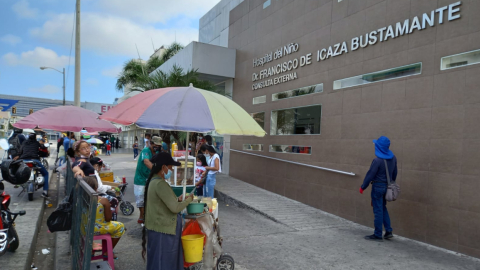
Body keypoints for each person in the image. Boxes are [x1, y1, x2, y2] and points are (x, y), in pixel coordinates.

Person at [141, 152, 193, 269]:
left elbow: (164, 203)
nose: (171, 170)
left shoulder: (154, 181)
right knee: (164, 261)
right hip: (163, 230)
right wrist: (189, 200)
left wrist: (178, 199)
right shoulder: (160, 184)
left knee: (157, 259)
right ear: (163, 167)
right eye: (170, 168)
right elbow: (175, 208)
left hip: (157, 227)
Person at [360, 136, 397, 242]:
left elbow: (370, 175)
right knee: (383, 208)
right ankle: (389, 231)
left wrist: (363, 186)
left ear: (379, 147)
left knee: (378, 210)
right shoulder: (393, 158)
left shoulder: (377, 160)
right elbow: (395, 173)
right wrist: (390, 185)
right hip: (387, 186)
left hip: (377, 187)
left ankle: (377, 234)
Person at [83, 176, 125, 258]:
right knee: (121, 227)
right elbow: (108, 218)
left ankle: (90, 251)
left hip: (83, 229)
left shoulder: (80, 200)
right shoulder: (103, 200)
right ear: (95, 188)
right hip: (97, 229)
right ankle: (108, 252)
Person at [134, 136, 162, 224]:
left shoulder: (157, 152)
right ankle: (143, 217)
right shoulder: (146, 151)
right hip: (140, 179)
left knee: (149, 198)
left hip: (149, 179)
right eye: (155, 144)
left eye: (158, 145)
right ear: (151, 143)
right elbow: (146, 162)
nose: (157, 146)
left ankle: (144, 216)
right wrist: (157, 171)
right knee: (141, 199)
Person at [14, 133, 49, 197]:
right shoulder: (36, 143)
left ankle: (19, 182)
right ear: (35, 138)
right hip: (34, 161)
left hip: (24, 161)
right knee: (46, 174)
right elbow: (42, 148)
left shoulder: (24, 142)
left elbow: (20, 152)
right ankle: (45, 191)